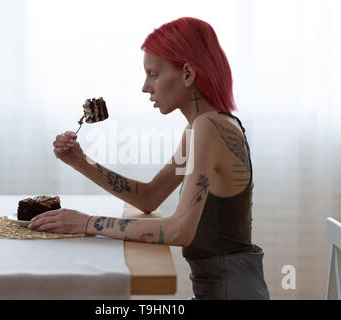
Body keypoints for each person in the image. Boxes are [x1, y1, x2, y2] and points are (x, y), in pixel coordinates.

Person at [29, 17, 270, 300]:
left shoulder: (210, 128)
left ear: (188, 74)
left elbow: (181, 231)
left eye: (153, 74)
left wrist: (86, 223)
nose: (146, 87)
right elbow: (149, 197)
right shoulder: (200, 128)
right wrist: (81, 162)